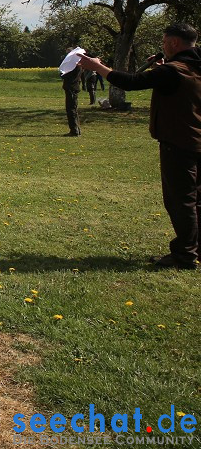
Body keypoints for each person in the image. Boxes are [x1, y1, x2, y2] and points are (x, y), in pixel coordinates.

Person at [77, 23, 201, 270]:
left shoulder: (174, 71)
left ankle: (185, 255)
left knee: (181, 200)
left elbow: (131, 82)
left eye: (165, 41)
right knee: (197, 199)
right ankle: (194, 249)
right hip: (196, 139)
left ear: (175, 43)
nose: (163, 46)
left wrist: (97, 67)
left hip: (179, 142)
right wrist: (162, 69)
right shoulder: (192, 67)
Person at [62, 65, 82, 136]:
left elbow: (64, 76)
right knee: (74, 109)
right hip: (74, 88)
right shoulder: (78, 66)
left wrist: (63, 72)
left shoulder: (73, 66)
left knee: (71, 109)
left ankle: (74, 130)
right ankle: (77, 129)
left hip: (71, 88)